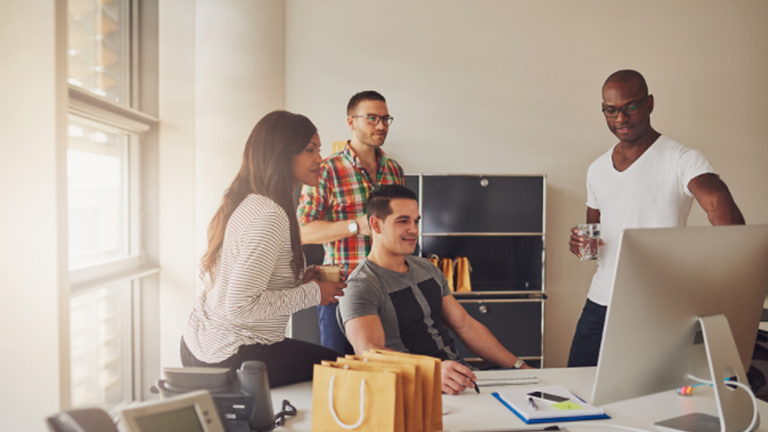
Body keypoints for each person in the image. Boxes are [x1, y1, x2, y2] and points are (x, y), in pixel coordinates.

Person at [567, 70, 745, 368]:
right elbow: (596, 235)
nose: (620, 118)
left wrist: (732, 269)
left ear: (649, 103)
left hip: (656, 306)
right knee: (578, 390)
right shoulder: (597, 168)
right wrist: (582, 244)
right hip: (601, 302)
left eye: (630, 107)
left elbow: (717, 206)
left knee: (649, 399)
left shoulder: (681, 158)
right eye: (611, 110)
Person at [181, 111, 347, 387]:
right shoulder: (269, 215)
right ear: (281, 154)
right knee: (341, 374)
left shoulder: (253, 201)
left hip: (201, 346)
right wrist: (313, 293)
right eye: (310, 150)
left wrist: (299, 280)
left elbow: (245, 284)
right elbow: (240, 306)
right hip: (231, 355)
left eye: (318, 149)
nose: (320, 159)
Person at [337, 185, 533, 395]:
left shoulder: (427, 268)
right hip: (411, 389)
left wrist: (520, 367)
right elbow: (369, 353)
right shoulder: (360, 285)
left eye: (416, 221)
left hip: (458, 381)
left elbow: (466, 326)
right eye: (403, 221)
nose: (413, 229)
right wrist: (431, 371)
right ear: (376, 224)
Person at [297, 90, 405, 355]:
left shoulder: (394, 170)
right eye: (372, 118)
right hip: (343, 291)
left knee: (387, 371)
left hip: (390, 289)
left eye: (386, 119)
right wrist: (357, 225)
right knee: (341, 373)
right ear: (351, 122)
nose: (381, 125)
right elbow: (303, 232)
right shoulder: (326, 170)